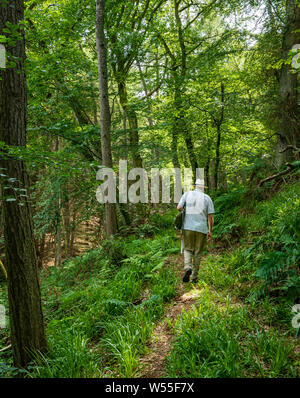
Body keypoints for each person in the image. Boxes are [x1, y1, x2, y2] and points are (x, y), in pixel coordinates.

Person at [177, 178, 214, 283]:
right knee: (198, 252)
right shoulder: (207, 198)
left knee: (188, 249)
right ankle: (194, 277)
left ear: (195, 186)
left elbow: (179, 208)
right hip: (201, 229)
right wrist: (210, 231)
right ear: (203, 188)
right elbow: (210, 217)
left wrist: (185, 209)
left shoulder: (187, 194)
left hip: (187, 227)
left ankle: (188, 267)